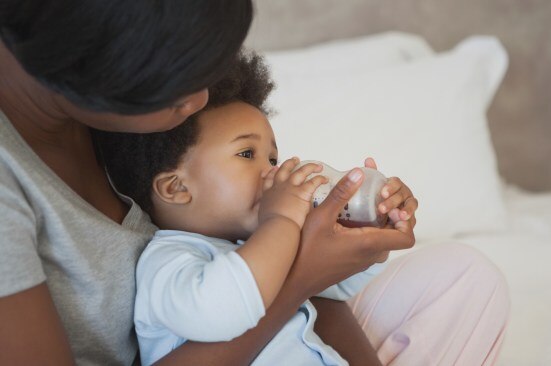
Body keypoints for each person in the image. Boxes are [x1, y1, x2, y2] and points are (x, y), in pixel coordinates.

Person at [0, 1, 508, 365]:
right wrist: (298, 264)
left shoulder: (232, 225)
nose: (199, 98)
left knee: (463, 275)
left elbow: (333, 296)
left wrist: (358, 238)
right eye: (174, 84)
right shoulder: (177, 261)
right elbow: (231, 305)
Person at [94, 51, 398, 365]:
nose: (271, 172)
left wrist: (371, 227)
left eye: (272, 159)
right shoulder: (167, 261)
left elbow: (334, 283)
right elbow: (224, 309)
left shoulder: (260, 241)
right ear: (177, 188)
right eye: (246, 154)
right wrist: (281, 220)